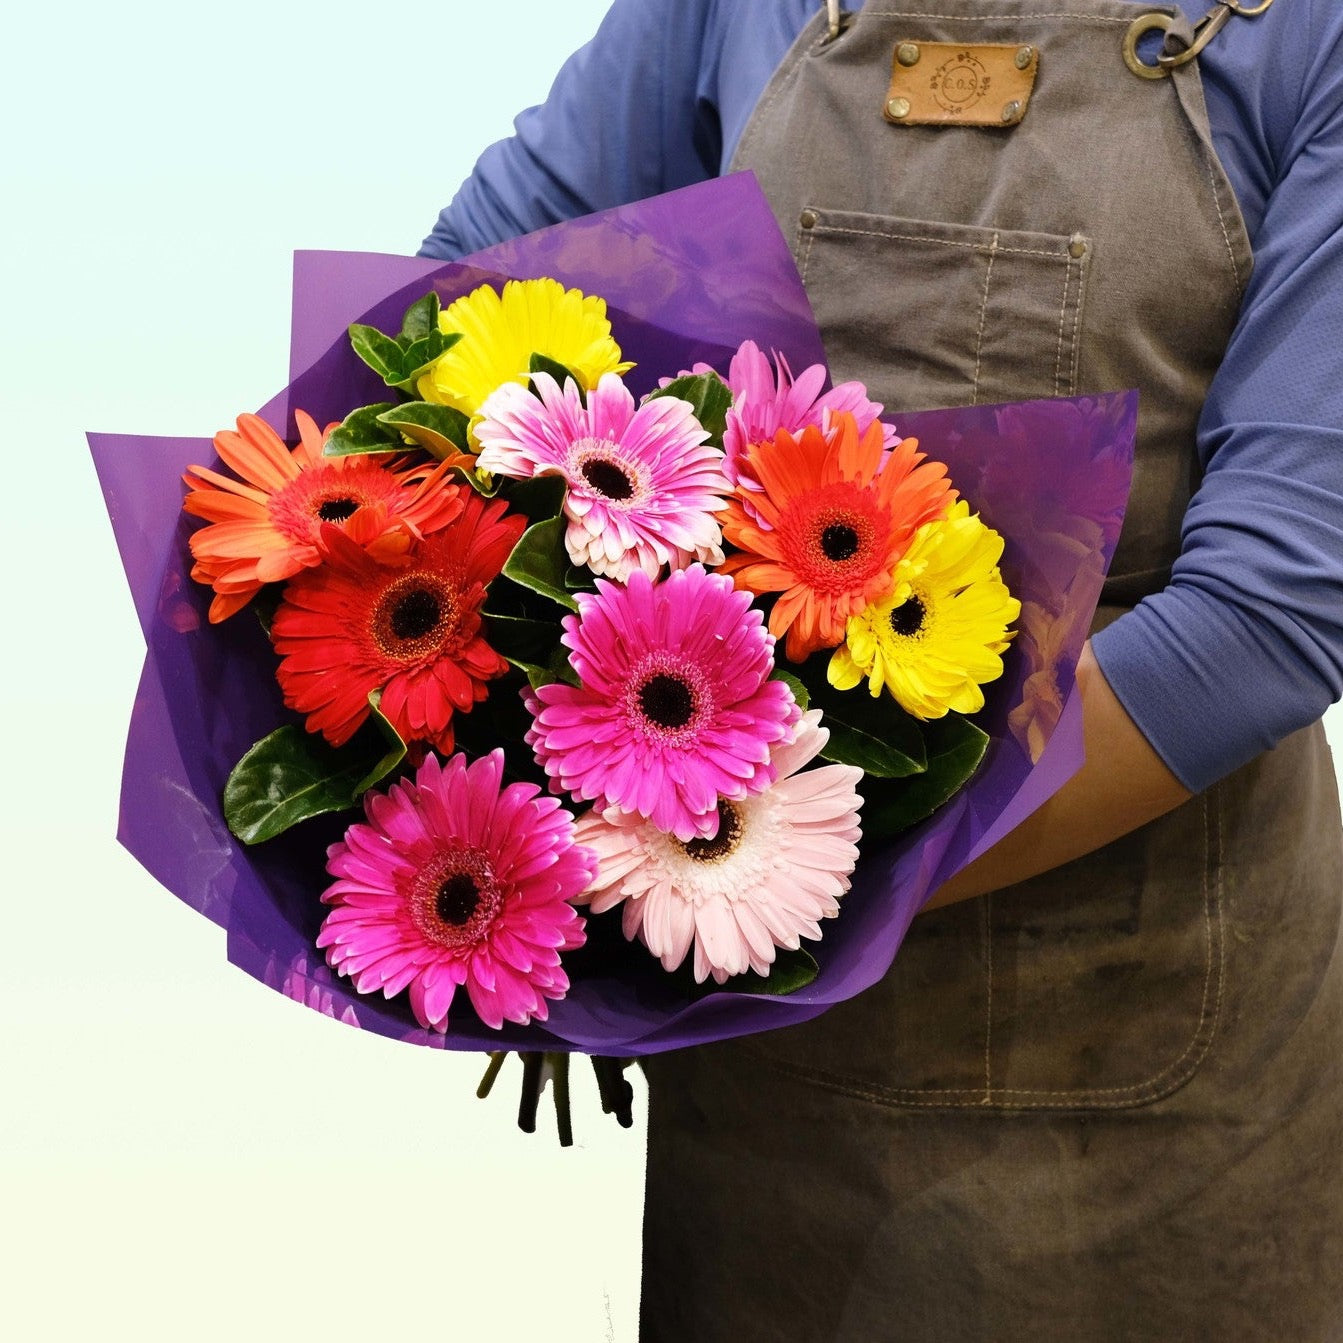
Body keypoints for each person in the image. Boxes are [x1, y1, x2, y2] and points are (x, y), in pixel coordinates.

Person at [421, 2, 1343, 1337]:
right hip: (761, 1077)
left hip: (1144, 1063)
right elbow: (474, 303)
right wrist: (514, 803)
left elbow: (1270, 610)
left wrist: (736, 874)